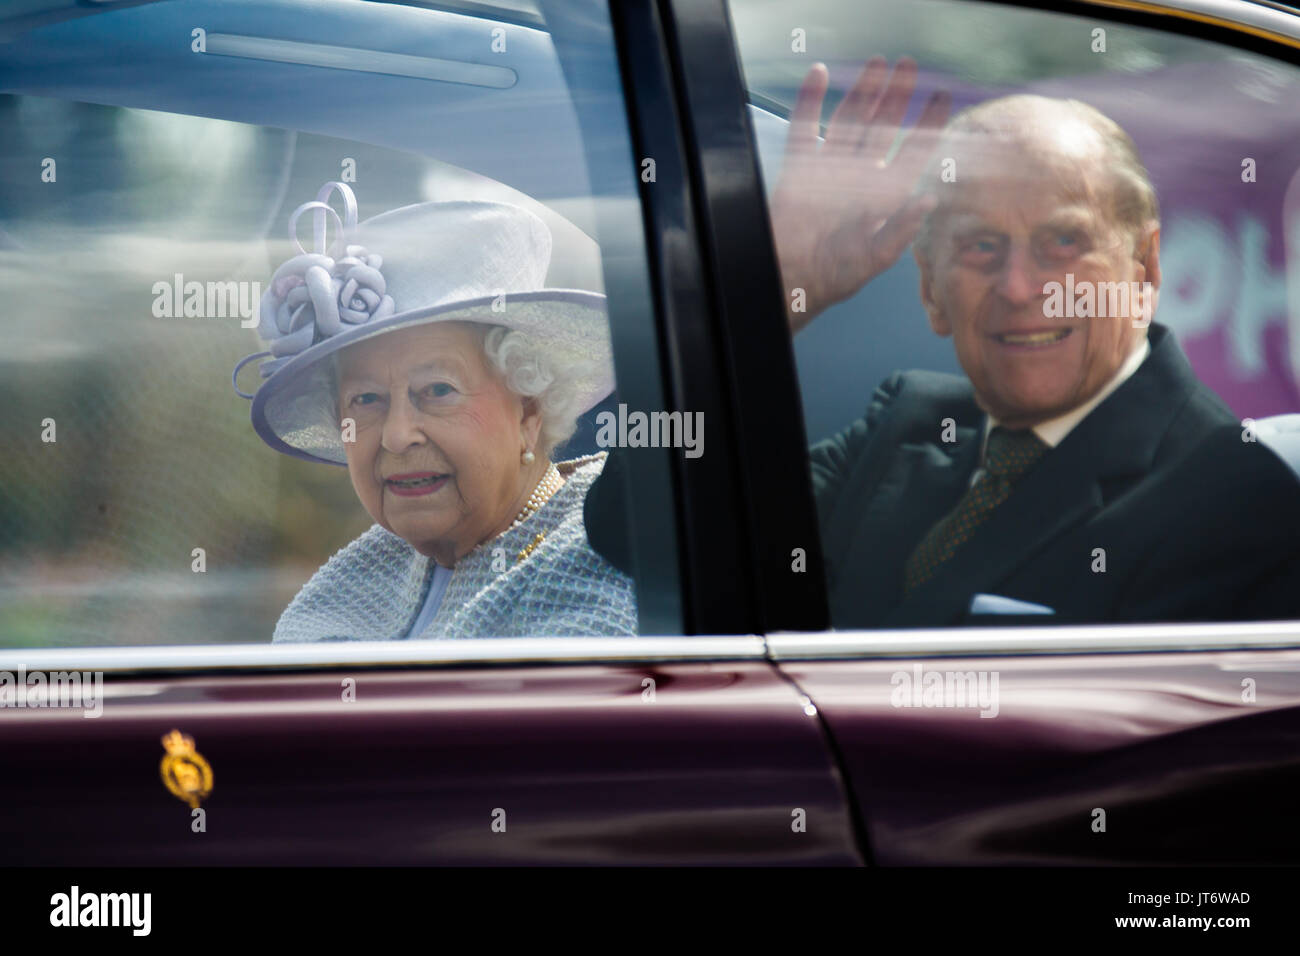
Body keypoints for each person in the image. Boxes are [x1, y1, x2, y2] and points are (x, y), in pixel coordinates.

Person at [589, 58, 1300, 627]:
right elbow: (638, 526)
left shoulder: (1235, 497)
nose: (1020, 287)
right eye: (981, 247)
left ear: (1143, 270)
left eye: (1063, 240)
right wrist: (770, 287)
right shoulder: (906, 423)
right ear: (930, 291)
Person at [233, 182, 637, 640]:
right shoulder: (343, 587)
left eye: (437, 390)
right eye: (366, 399)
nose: (397, 435)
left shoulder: (609, 551)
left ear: (528, 410)